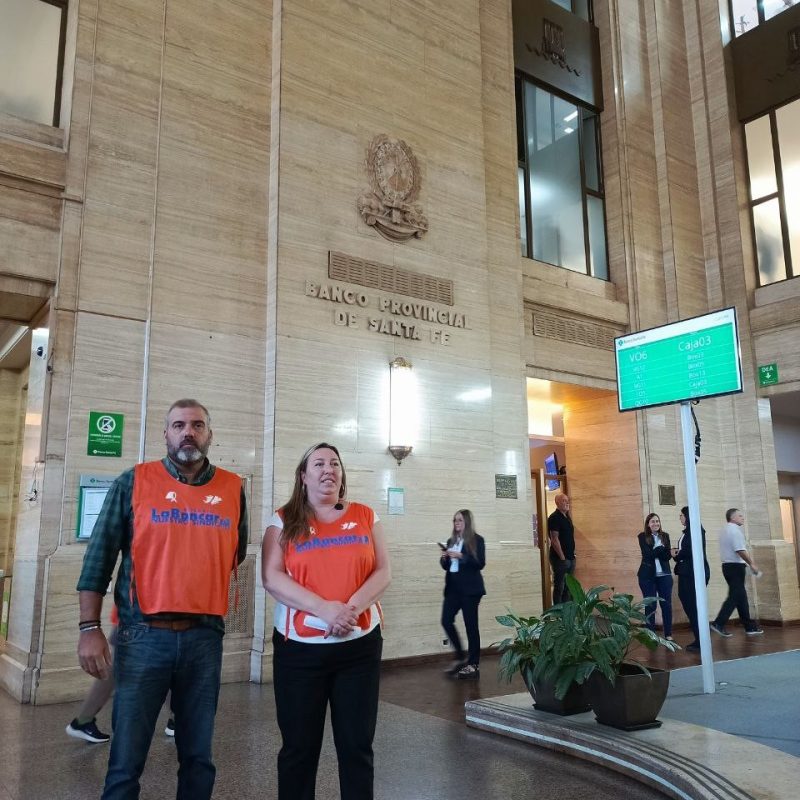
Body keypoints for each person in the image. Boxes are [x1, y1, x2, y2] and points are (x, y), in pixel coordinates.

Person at [76, 399, 248, 799]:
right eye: (179, 425)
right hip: (141, 637)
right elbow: (98, 559)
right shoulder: (133, 482)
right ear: (166, 433)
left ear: (210, 434)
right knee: (125, 760)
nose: (188, 432)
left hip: (205, 639)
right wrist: (90, 629)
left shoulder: (233, 488)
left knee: (198, 757)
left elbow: (234, 552)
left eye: (197, 425)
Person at [262, 442, 391, 800]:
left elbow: (383, 570)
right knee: (299, 751)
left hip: (360, 649)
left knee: (357, 748)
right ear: (303, 476)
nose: (328, 469)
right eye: (318, 463)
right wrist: (325, 609)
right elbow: (272, 577)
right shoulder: (283, 519)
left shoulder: (366, 515)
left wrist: (349, 608)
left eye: (334, 463)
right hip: (300, 654)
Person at [439, 509, 486, 680]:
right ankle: (460, 657)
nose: (456, 523)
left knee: (470, 625)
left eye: (459, 520)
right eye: (454, 520)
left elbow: (480, 563)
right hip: (453, 589)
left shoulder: (477, 540)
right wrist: (445, 557)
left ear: (466, 522)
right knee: (446, 620)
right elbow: (446, 566)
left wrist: (461, 556)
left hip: (471, 590)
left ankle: (473, 664)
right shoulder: (451, 541)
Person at [710, 508, 763, 637]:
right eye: (740, 516)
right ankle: (718, 623)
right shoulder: (735, 531)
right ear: (732, 518)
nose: (742, 518)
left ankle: (749, 626)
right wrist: (752, 563)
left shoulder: (724, 530)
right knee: (735, 596)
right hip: (735, 568)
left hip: (728, 566)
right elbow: (740, 550)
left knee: (741, 596)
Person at [673, 506, 710, 653]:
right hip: (688, 573)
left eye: (681, 515)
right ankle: (700, 638)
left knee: (693, 607)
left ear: (688, 516)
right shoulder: (690, 531)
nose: (680, 518)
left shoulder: (695, 530)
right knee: (691, 606)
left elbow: (690, 551)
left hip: (692, 574)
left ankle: (701, 640)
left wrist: (676, 554)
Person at [636, 513, 674, 640]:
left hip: (664, 576)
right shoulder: (642, 537)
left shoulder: (665, 536)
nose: (656, 524)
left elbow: (667, 556)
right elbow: (648, 555)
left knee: (666, 605)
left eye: (657, 521)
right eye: (653, 521)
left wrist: (659, 551)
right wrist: (660, 548)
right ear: (648, 524)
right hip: (647, 576)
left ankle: (668, 634)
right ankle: (650, 634)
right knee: (651, 605)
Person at [548, 493, 575, 604]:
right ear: (557, 502)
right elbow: (554, 539)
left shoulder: (567, 517)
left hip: (570, 557)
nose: (567, 502)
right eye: (564, 500)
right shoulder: (554, 517)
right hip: (560, 559)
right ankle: (558, 614)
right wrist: (563, 558)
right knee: (559, 587)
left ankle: (566, 613)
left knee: (568, 587)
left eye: (567, 500)